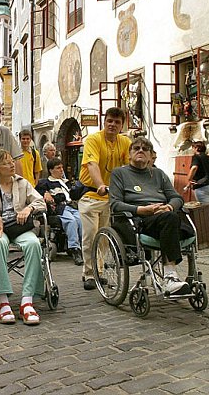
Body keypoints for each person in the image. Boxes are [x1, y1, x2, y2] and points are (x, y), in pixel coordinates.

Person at [109, 137, 192, 295]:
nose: (140, 150)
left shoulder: (159, 174)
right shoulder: (119, 173)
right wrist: (142, 210)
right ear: (129, 155)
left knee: (178, 221)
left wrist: (169, 206)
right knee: (171, 219)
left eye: (145, 149)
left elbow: (177, 197)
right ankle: (170, 277)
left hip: (164, 217)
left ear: (150, 155)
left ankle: (174, 278)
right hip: (138, 220)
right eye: (136, 148)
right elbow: (115, 204)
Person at [0, 150, 47, 325]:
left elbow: (40, 201)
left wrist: (28, 209)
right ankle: (3, 301)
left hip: (20, 228)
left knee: (34, 244)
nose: (12, 165)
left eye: (12, 162)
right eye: (6, 163)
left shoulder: (22, 183)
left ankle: (27, 301)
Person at [78, 107, 132, 290]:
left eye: (117, 122)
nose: (112, 125)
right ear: (104, 121)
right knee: (90, 236)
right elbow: (92, 164)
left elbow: (128, 167)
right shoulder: (93, 139)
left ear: (121, 125)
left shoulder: (125, 142)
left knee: (104, 238)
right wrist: (100, 184)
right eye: (110, 121)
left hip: (111, 197)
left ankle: (98, 271)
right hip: (91, 194)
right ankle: (88, 273)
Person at [36, 157, 83, 265]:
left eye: (62, 167)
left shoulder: (68, 183)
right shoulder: (46, 183)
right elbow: (38, 192)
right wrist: (45, 194)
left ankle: (83, 247)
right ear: (51, 170)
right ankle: (74, 249)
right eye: (58, 168)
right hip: (59, 208)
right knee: (71, 221)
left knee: (81, 220)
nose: (62, 170)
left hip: (73, 206)